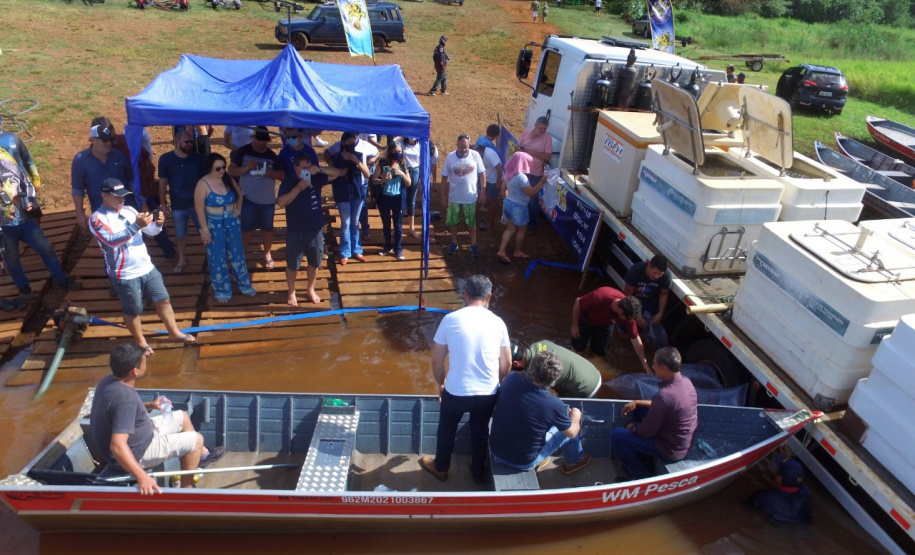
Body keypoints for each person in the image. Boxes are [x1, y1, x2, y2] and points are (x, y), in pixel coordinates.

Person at [89, 344, 225, 495]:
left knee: (183, 417)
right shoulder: (125, 399)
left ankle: (202, 456)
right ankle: (186, 489)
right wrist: (142, 477)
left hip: (141, 433)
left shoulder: (109, 381)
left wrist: (150, 405)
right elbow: (117, 446)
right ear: (135, 371)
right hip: (138, 451)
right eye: (145, 362)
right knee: (196, 440)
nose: (146, 364)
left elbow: (122, 410)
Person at [420, 275, 511, 485]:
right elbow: (506, 363)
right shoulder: (498, 323)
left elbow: (437, 360)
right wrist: (497, 382)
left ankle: (441, 467)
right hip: (487, 393)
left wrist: (440, 384)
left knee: (446, 429)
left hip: (455, 392)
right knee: (480, 432)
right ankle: (477, 472)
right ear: (489, 296)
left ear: (465, 294)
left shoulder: (450, 320)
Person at [89, 178, 197, 356]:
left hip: (147, 267)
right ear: (104, 196)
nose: (122, 200)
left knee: (163, 300)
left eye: (124, 196)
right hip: (125, 274)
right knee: (133, 310)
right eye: (117, 197)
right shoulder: (96, 219)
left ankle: (174, 332)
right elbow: (111, 241)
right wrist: (136, 226)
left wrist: (158, 223)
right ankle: (140, 342)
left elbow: (152, 232)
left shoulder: (130, 210)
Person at [489, 351, 592, 475]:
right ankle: (573, 462)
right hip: (523, 462)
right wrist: (575, 417)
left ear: (531, 367)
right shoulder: (553, 404)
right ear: (554, 379)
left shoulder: (511, 379)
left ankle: (542, 457)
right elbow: (570, 432)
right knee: (570, 429)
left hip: (495, 450)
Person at [0, 147, 79, 303]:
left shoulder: (6, 162)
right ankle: (24, 289)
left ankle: (61, 279)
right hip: (4, 229)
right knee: (12, 259)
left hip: (26, 221)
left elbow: (25, 182)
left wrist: (29, 200)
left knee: (46, 249)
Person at [610, 347, 697, 479]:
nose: (652, 366)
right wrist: (638, 402)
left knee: (617, 435)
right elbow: (666, 406)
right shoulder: (686, 382)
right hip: (679, 441)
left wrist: (631, 427)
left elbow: (646, 431)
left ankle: (639, 475)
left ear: (663, 367)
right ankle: (644, 457)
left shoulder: (665, 396)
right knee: (638, 410)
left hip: (670, 450)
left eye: (654, 364)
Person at [276, 153, 345, 306]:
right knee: (293, 264)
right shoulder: (289, 181)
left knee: (315, 262)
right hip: (296, 231)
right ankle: (291, 291)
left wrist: (319, 169)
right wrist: (297, 189)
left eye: (308, 167)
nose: (306, 170)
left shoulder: (316, 178)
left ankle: (310, 289)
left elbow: (338, 173)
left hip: (315, 230)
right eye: (303, 168)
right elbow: (281, 202)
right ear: (295, 168)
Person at [194, 153, 257, 303]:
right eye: (218, 168)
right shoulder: (202, 184)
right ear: (210, 168)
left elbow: (239, 195)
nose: (222, 170)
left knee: (237, 254)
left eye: (223, 167)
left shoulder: (227, 180)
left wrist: (238, 209)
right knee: (217, 257)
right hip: (214, 224)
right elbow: (199, 209)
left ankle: (244, 284)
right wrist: (205, 230)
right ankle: (222, 289)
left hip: (231, 221)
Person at [228, 126, 284, 269]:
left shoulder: (272, 156)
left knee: (267, 228)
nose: (262, 143)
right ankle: (242, 254)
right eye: (259, 140)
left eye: (265, 141)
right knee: (246, 229)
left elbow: (283, 175)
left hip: (268, 200)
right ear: (252, 138)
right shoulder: (242, 152)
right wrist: (246, 168)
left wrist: (270, 173)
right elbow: (231, 170)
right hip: (247, 199)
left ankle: (267, 254)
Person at [158, 131, 207, 273]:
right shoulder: (165, 159)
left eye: (192, 142)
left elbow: (205, 181)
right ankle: (181, 259)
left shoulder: (198, 159)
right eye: (187, 141)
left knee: (205, 231)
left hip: (198, 204)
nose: (190, 144)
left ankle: (211, 257)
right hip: (178, 205)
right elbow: (162, 183)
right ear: (178, 141)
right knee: (180, 234)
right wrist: (163, 204)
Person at [571, 285, 651, 372]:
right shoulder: (599, 297)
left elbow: (635, 338)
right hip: (586, 320)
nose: (629, 321)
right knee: (578, 349)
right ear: (620, 312)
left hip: (606, 324)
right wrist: (575, 325)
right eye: (626, 319)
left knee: (599, 355)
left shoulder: (628, 313)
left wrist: (644, 363)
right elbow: (578, 301)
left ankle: (591, 371)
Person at [72, 122, 135, 233]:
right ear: (93, 140)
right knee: (111, 244)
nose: (109, 144)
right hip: (103, 215)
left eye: (110, 140)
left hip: (126, 209)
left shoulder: (119, 156)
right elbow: (78, 190)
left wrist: (142, 203)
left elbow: (131, 182)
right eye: (105, 141)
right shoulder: (80, 160)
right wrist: (80, 213)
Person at [324, 132, 374, 265]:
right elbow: (330, 170)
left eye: (354, 143)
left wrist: (356, 161)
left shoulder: (358, 155)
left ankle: (357, 250)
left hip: (357, 192)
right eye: (349, 143)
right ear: (343, 143)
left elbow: (367, 174)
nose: (352, 145)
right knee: (346, 222)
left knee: (355, 222)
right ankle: (345, 251)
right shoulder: (335, 157)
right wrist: (337, 170)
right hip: (342, 193)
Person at [496, 151, 547, 264]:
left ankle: (501, 250)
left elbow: (503, 190)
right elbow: (530, 192)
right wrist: (541, 183)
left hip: (508, 203)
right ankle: (517, 251)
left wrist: (506, 200)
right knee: (522, 229)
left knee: (510, 229)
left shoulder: (509, 173)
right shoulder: (522, 177)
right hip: (519, 206)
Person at [440, 134, 486, 257]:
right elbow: (444, 177)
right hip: (454, 197)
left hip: (470, 197)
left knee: (471, 222)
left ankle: (473, 244)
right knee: (453, 222)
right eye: (461, 147)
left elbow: (482, 173)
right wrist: (443, 195)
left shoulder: (475, 155)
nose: (463, 149)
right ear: (457, 145)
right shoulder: (450, 157)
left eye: (465, 147)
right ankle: (454, 242)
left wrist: (483, 191)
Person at [510, 339, 603, 398]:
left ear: (516, 364)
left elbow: (540, 394)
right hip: (593, 371)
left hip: (585, 387)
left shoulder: (537, 370)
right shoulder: (540, 344)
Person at [747, 450, 813, 524]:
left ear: (779, 478)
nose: (775, 469)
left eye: (777, 468)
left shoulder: (762, 496)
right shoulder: (806, 492)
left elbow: (745, 508)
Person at [623, 254, 671, 350]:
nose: (657, 277)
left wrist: (660, 314)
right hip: (633, 299)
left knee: (644, 330)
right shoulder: (636, 271)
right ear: (649, 265)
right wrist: (637, 316)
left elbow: (664, 293)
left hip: (650, 301)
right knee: (623, 333)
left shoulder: (666, 276)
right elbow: (627, 296)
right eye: (654, 273)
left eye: (660, 274)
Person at [372, 143, 411, 260]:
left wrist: (402, 174)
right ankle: (387, 246)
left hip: (398, 198)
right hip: (384, 197)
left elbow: (409, 183)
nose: (397, 153)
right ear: (390, 152)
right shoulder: (382, 163)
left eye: (399, 151)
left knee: (398, 225)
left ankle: (398, 248)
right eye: (395, 151)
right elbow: (374, 180)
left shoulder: (403, 164)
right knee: (386, 223)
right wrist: (382, 180)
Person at [518, 116, 553, 233]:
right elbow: (519, 146)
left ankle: (532, 225)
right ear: (536, 125)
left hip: (534, 173)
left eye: (545, 128)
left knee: (532, 200)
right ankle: (520, 221)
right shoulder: (527, 132)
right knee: (520, 196)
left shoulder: (547, 138)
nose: (543, 130)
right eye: (541, 128)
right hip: (522, 170)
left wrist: (533, 153)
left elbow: (548, 157)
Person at [396, 136, 423, 238]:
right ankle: (398, 227)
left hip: (415, 171)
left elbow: (422, 162)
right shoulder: (401, 143)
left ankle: (411, 228)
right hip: (403, 170)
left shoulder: (420, 144)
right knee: (400, 199)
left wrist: (421, 179)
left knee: (411, 201)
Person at [475, 140, 502, 232]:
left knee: (491, 200)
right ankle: (473, 219)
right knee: (478, 197)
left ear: (481, 152)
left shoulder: (489, 155)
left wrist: (498, 182)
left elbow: (499, 167)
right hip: (484, 177)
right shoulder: (477, 154)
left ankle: (490, 223)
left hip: (494, 180)